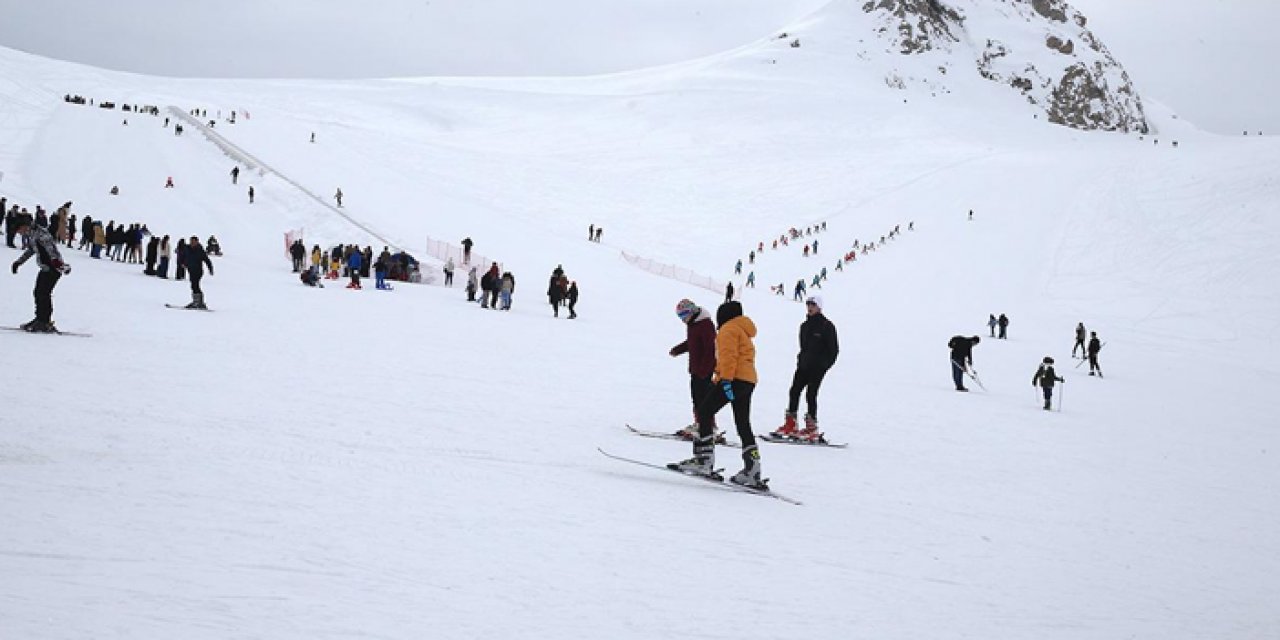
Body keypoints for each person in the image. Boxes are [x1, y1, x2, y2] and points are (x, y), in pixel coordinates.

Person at [668, 301, 766, 490]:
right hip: (748, 380)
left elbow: (729, 357)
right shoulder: (743, 330)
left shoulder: (729, 329)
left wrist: (725, 380)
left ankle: (703, 460)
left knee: (704, 411)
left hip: (734, 379)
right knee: (743, 423)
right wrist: (719, 378)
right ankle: (753, 470)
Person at [771, 296, 838, 442]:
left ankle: (811, 428)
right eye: (808, 304)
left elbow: (833, 351)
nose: (810, 307)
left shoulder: (827, 326)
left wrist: (823, 365)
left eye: (813, 304)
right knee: (794, 391)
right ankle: (791, 424)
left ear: (819, 307)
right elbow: (804, 347)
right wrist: (801, 360)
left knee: (811, 394)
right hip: (803, 366)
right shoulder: (804, 326)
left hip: (817, 368)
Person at [10, 214, 71, 332]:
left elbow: (51, 250)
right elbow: (31, 250)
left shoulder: (41, 234)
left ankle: (44, 321)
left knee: (43, 294)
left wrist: (59, 264)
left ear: (25, 226)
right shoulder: (33, 234)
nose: (19, 233)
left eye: (19, 230)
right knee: (38, 293)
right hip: (46, 268)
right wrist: (18, 262)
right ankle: (40, 318)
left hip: (53, 268)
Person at [670, 299, 718, 440]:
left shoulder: (705, 325)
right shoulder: (693, 324)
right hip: (695, 369)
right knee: (696, 398)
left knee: (703, 399)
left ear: (691, 312)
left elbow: (711, 349)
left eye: (683, 316)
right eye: (680, 317)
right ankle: (700, 424)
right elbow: (692, 343)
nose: (682, 320)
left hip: (704, 369)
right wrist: (677, 350)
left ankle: (708, 427)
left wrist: (704, 370)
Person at [183, 236, 214, 309]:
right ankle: (198, 302)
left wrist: (210, 269)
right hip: (191, 269)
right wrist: (184, 263)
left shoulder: (200, 250)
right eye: (191, 241)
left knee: (195, 285)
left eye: (193, 242)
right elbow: (185, 257)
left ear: (197, 242)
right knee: (194, 285)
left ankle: (198, 302)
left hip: (198, 270)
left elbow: (207, 260)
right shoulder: (188, 249)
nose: (192, 243)